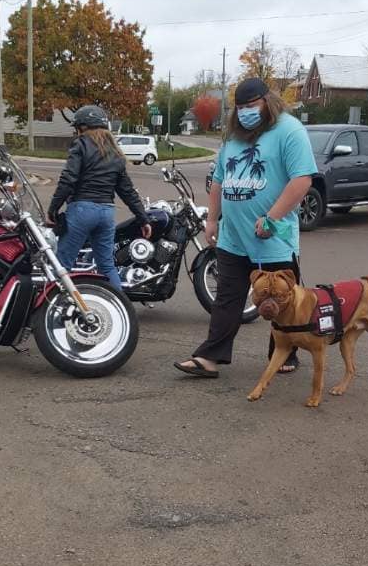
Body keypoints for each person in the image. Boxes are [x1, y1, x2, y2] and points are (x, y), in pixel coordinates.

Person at [174, 77, 317, 379]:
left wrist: (272, 218)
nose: (244, 113)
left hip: (274, 235)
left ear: (267, 102)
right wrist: (212, 219)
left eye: (250, 106)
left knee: (280, 296)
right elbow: (219, 181)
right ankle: (210, 357)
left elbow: (302, 179)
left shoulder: (289, 130)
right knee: (227, 297)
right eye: (239, 108)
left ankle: (284, 352)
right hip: (234, 236)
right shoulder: (234, 137)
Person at [47, 105, 151, 289]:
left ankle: (52, 309)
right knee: (106, 266)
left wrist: (53, 208)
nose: (76, 132)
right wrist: (143, 219)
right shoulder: (116, 153)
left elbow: (68, 179)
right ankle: (120, 306)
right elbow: (127, 191)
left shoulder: (81, 144)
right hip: (106, 213)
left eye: (76, 128)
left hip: (82, 210)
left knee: (62, 265)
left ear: (83, 127)